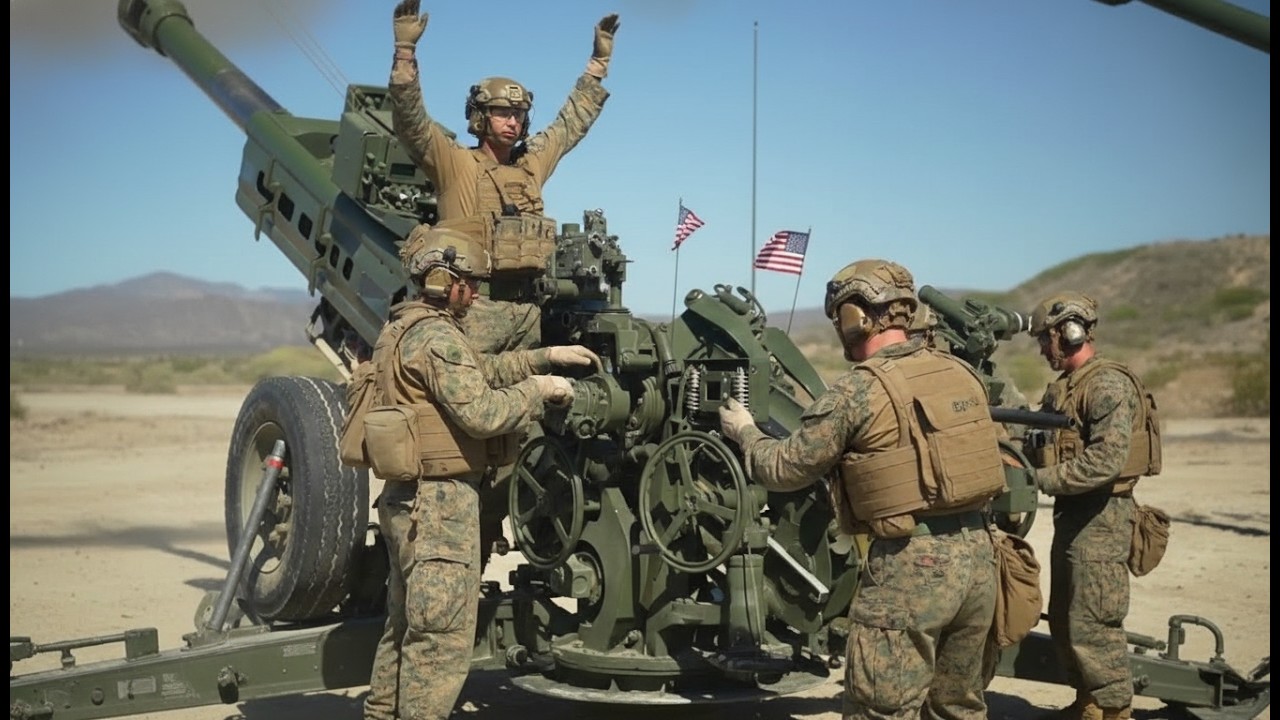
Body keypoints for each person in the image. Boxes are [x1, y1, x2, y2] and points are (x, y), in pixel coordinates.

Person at [718, 259, 1007, 720]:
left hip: (912, 567)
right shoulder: (960, 374)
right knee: (958, 708)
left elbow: (786, 467)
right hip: (980, 561)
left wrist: (744, 431)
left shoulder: (859, 390)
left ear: (859, 316)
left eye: (840, 316)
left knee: (881, 709)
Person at [388, 0, 620, 568]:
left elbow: (569, 126)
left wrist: (596, 67)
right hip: (474, 316)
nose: (512, 122)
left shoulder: (531, 167)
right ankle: (448, 548)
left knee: (524, 442)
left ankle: (501, 537)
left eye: (517, 114)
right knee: (469, 437)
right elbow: (410, 117)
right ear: (478, 117)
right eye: (499, 113)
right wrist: (405, 50)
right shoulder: (454, 166)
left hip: (528, 317)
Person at [363, 225, 599, 720]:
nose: (473, 295)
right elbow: (483, 413)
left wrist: (543, 358)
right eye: (466, 283)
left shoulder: (402, 329)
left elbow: (479, 372)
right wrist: (542, 391)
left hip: (407, 499)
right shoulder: (436, 336)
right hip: (439, 505)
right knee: (442, 639)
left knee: (405, 627)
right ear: (438, 280)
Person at [1029, 292, 1159, 720]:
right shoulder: (1067, 387)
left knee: (1095, 624)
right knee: (1067, 618)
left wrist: (1040, 480)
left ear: (1067, 333)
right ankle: (1089, 704)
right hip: (1076, 517)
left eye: (1044, 340)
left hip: (1102, 519)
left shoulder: (1106, 384)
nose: (1042, 350)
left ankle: (1113, 710)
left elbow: (1106, 460)